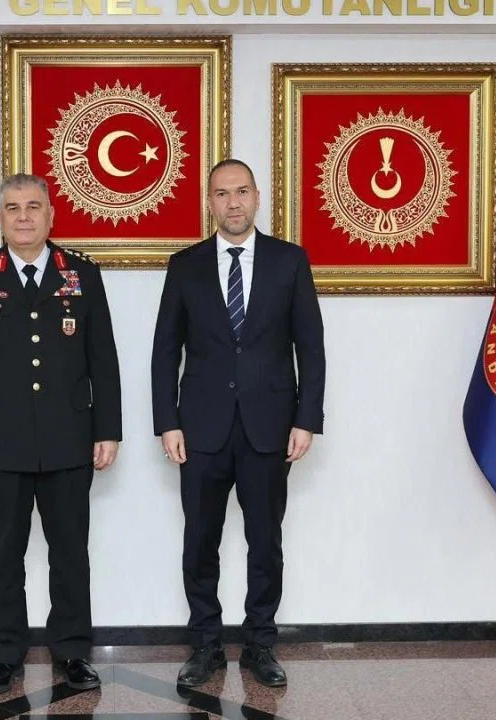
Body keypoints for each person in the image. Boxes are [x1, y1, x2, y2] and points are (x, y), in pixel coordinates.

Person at [0, 173, 122, 695]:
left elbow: (102, 357)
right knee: (3, 554)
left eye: (34, 206)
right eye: (13, 207)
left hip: (69, 435)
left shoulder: (80, 273)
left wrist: (108, 429)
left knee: (70, 552)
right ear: (0, 217)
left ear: (50, 215)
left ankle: (73, 652)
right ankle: (3, 655)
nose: (23, 216)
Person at [150, 158, 326, 688]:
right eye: (222, 193)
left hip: (270, 426)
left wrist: (307, 419)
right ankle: (205, 645)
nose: (233, 202)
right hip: (200, 429)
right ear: (209, 202)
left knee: (265, 542)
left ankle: (260, 645)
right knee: (199, 541)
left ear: (257, 198)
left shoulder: (289, 261)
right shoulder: (185, 266)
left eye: (242, 191)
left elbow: (310, 347)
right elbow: (165, 351)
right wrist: (167, 422)